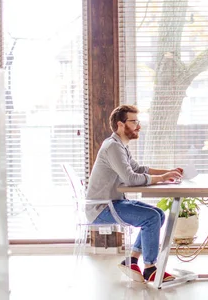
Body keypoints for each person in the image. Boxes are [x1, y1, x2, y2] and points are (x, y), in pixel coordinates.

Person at [85, 104, 183, 283]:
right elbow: (130, 178)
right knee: (151, 218)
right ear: (121, 124)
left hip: (114, 202)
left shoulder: (120, 145)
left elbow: (138, 168)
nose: (139, 126)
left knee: (158, 214)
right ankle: (150, 269)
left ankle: (131, 261)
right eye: (134, 122)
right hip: (102, 208)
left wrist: (167, 172)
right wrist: (161, 178)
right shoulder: (112, 147)